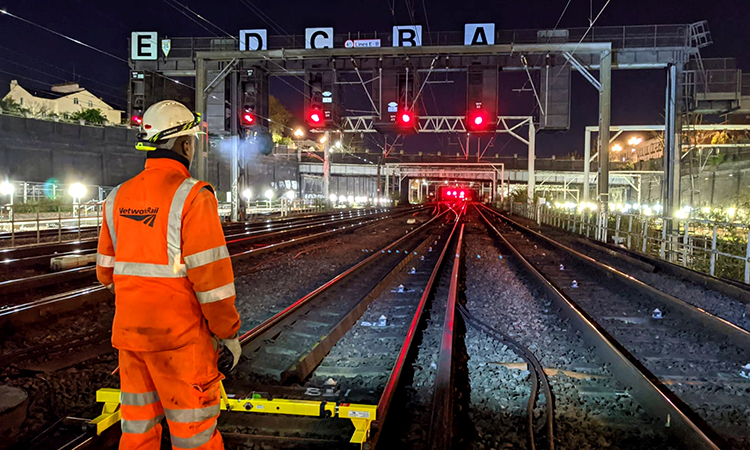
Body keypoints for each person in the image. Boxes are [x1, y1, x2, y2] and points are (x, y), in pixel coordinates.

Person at [96, 100, 241, 450]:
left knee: (138, 430)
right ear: (186, 145)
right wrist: (228, 332)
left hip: (131, 340)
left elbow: (105, 273)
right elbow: (213, 282)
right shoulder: (193, 196)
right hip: (180, 341)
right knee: (194, 435)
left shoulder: (117, 197)